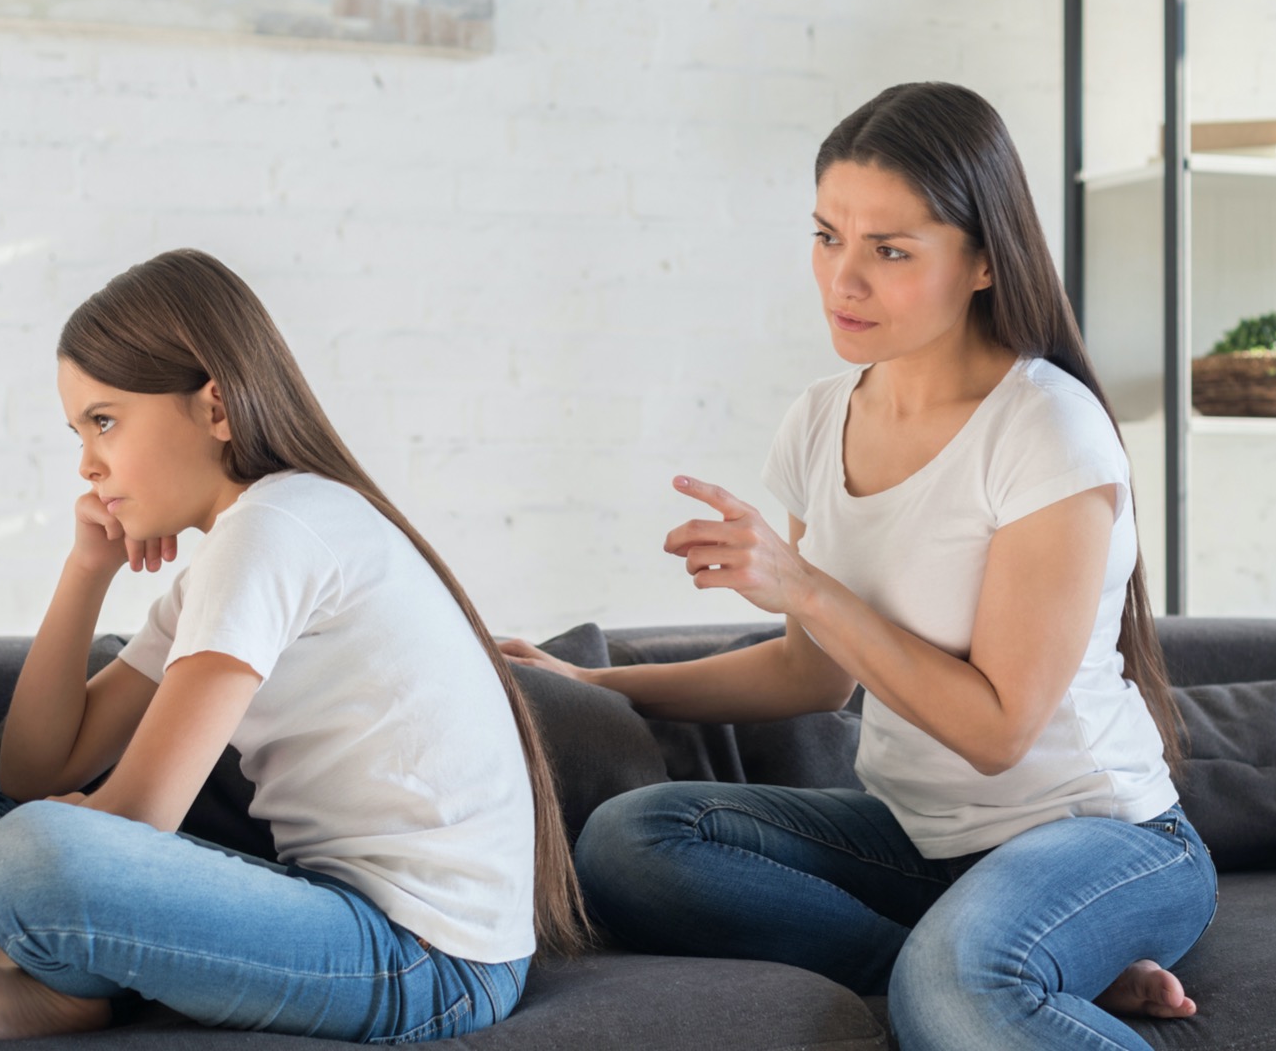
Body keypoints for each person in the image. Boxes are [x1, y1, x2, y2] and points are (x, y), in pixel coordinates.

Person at [503, 82, 1217, 1051]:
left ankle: (991, 974)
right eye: (827, 237)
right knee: (632, 843)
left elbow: (999, 729)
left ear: (979, 262)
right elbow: (812, 670)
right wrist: (593, 682)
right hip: (923, 845)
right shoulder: (819, 420)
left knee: (955, 989)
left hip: (1102, 842)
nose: (844, 280)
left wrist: (800, 584)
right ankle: (1019, 975)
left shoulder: (1045, 429)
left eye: (889, 250)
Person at [0, 249, 585, 1042]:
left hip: (429, 964)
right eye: (77, 432)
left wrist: (77, 827)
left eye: (104, 421)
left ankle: (30, 980)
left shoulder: (274, 528)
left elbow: (138, 819)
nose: (86, 464)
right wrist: (85, 569)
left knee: (25, 855)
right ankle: (54, 981)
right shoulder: (245, 546)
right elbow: (31, 771)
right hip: (351, 920)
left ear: (217, 407)